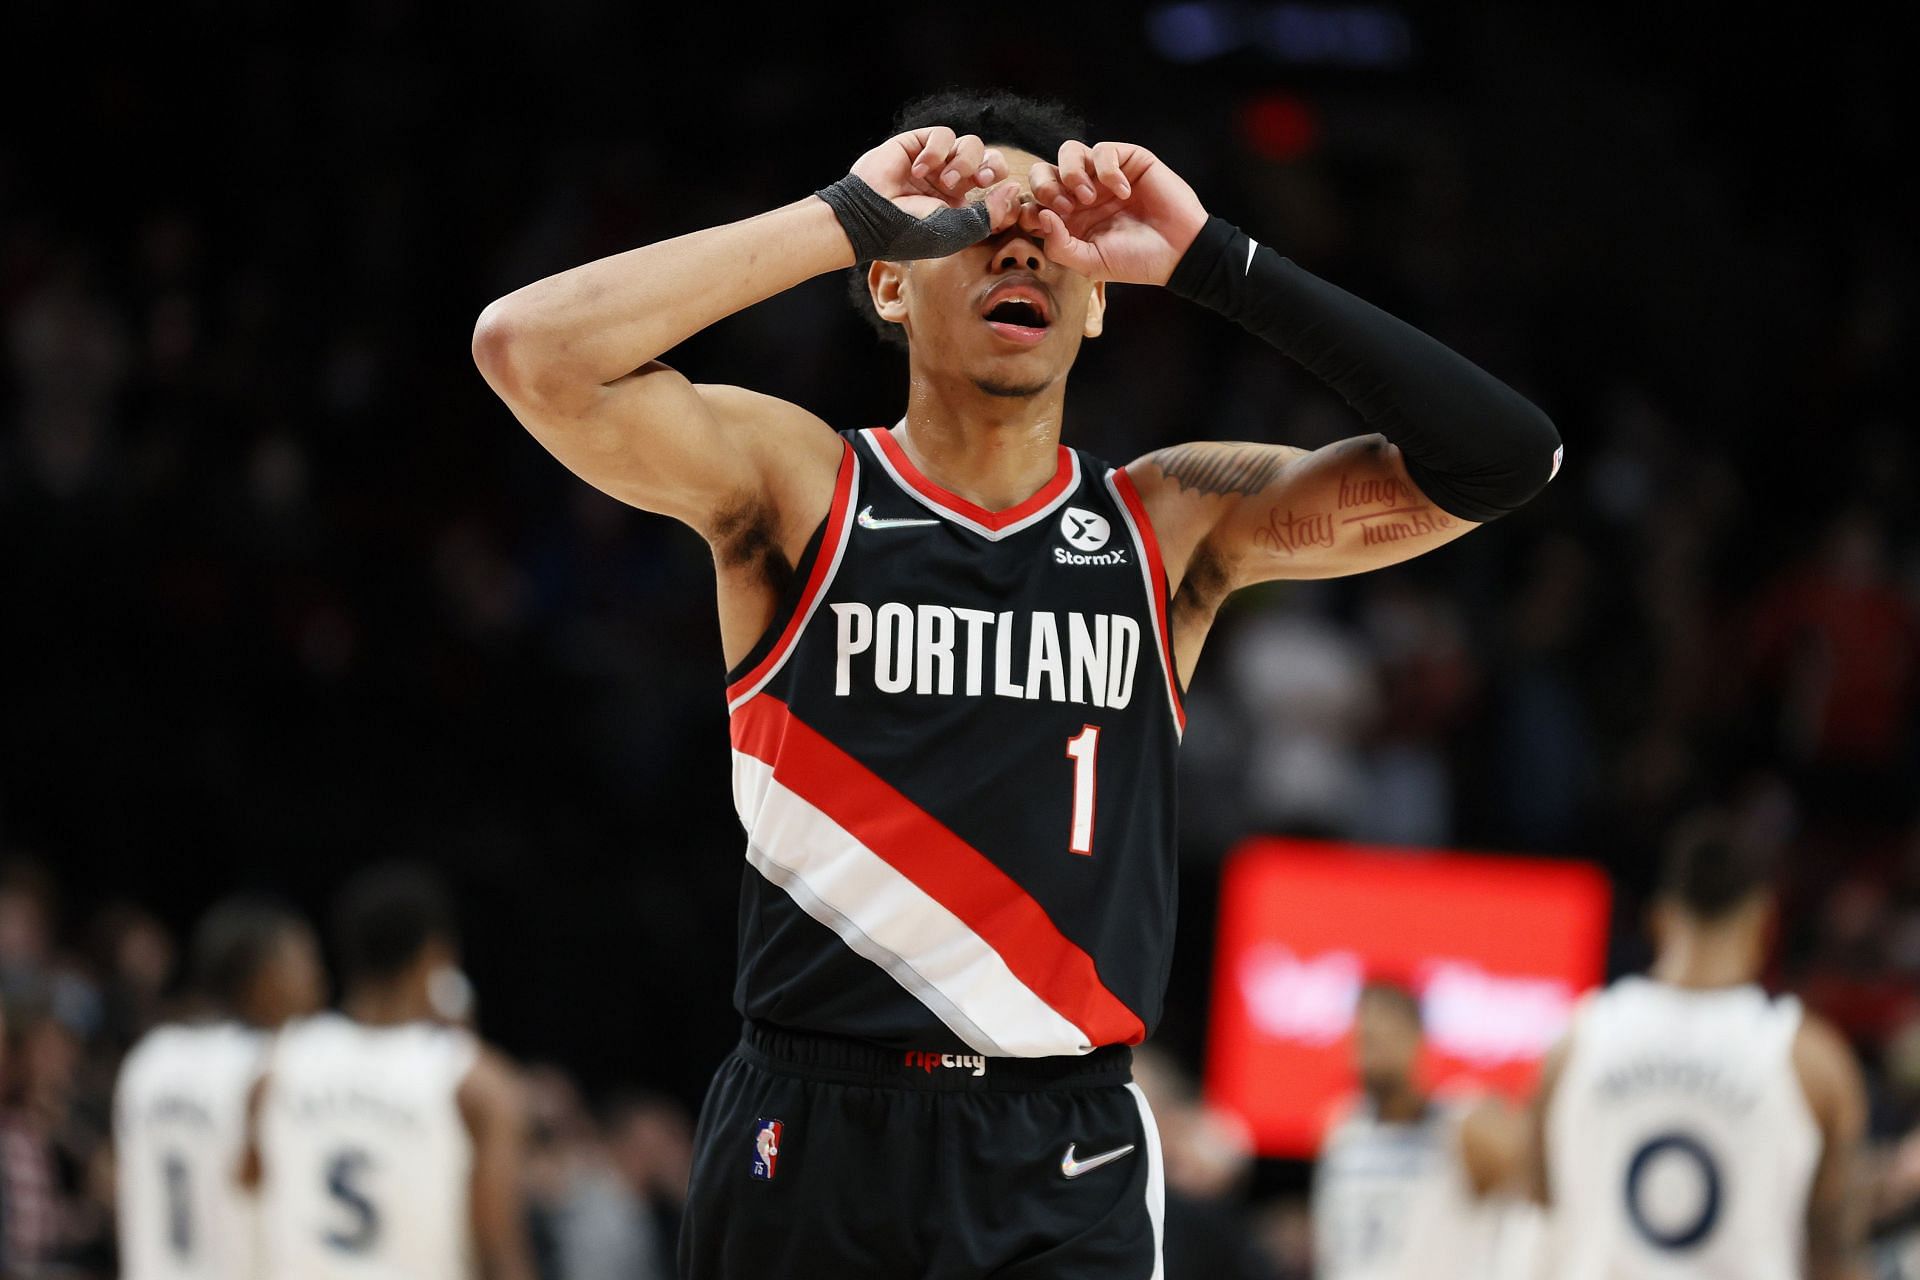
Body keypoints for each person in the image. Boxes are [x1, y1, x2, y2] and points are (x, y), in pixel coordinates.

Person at [472, 87, 1561, 1278]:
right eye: (974, 215)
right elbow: (527, 350)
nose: (1017, 235)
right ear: (892, 279)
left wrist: (1215, 262)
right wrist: (845, 214)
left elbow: (1504, 458)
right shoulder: (801, 486)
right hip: (814, 1118)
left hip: (1064, 1147)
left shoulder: (1169, 518)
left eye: (1046, 225)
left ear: (1093, 304)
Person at [1534, 812, 1872, 1279]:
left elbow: (1538, 1207)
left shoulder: (1575, 1042)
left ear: (1658, 919)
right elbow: (1833, 1250)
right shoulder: (1811, 1060)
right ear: (1764, 921)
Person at [251, 865, 534, 1280]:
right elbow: (498, 1252)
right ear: (437, 955)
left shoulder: (274, 1067)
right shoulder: (477, 1084)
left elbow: (247, 1197)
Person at [114, 895, 323, 1280]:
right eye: (302, 959)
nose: (316, 977)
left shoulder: (148, 1060)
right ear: (262, 974)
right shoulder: (273, 1067)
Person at [1312, 982, 1532, 1280]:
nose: (1369, 1053)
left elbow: (1532, 1185)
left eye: (1381, 1037)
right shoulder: (1343, 1129)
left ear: (1415, 1039)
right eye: (1363, 1039)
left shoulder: (1462, 1125)